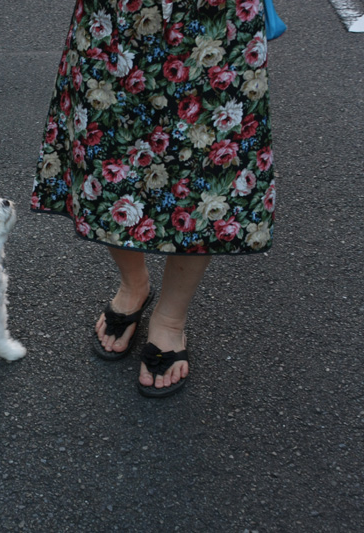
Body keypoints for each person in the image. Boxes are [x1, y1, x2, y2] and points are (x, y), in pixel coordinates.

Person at [31, 0, 275, 397]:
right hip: (114, 14)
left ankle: (170, 318)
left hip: (212, 17)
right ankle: (134, 285)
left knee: (205, 171)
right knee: (106, 154)